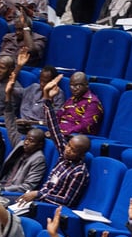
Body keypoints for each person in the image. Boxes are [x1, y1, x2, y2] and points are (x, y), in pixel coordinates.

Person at [19, 73, 92, 207]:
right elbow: (54, 128)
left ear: (81, 155)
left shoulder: (79, 172)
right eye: (68, 146)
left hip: (47, 208)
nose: (67, 150)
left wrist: (38, 195)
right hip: (36, 201)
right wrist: (47, 98)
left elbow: (66, 201)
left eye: (72, 150)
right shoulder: (64, 157)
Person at [56, 71, 103, 137]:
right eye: (71, 85)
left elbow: (85, 126)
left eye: (78, 85)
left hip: (75, 137)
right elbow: (58, 116)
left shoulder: (93, 103)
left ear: (86, 85)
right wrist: (53, 130)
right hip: (60, 133)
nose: (74, 89)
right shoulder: (71, 99)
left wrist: (63, 133)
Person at [17, 63, 64, 128]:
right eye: (41, 80)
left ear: (53, 82)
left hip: (38, 128)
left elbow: (52, 120)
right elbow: (16, 92)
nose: (42, 84)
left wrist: (29, 123)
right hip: (22, 124)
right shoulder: (34, 87)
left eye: (45, 82)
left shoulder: (58, 95)